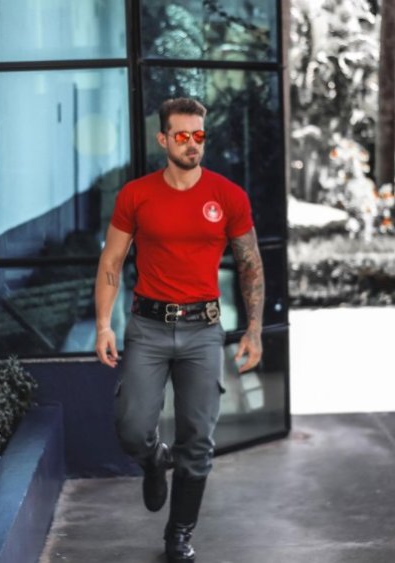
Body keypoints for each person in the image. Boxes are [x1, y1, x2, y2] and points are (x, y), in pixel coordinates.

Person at [95, 97, 264, 563]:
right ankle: (154, 459)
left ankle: (179, 534)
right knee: (132, 428)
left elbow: (250, 264)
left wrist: (253, 330)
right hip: (148, 328)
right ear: (163, 139)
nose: (193, 144)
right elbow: (112, 260)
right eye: (183, 135)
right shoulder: (136, 194)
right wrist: (104, 325)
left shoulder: (228, 196)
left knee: (199, 438)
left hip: (203, 331)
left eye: (199, 135)